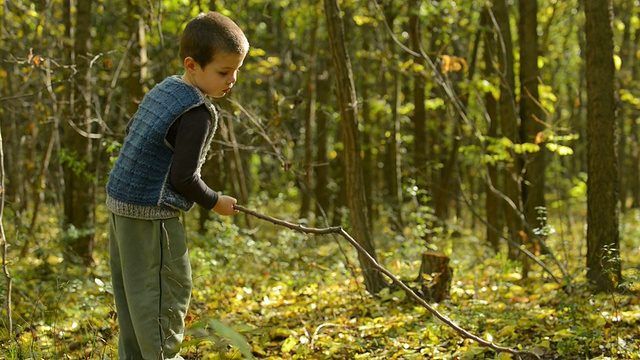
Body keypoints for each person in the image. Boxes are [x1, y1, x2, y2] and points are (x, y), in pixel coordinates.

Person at [105, 11, 249, 359]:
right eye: (223, 71)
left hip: (121, 207)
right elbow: (183, 178)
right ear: (192, 64)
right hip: (151, 217)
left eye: (236, 71)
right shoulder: (195, 111)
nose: (232, 80)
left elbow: (132, 134)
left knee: (133, 308)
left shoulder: (165, 89)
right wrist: (215, 201)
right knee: (162, 304)